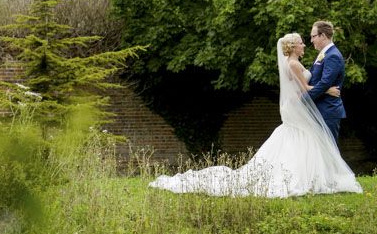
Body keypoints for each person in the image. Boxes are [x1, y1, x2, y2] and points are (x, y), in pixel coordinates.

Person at [149, 33, 362, 197]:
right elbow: (306, 88)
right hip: (295, 106)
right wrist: (328, 90)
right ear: (293, 47)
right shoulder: (294, 64)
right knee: (302, 137)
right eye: (301, 42)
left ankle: (310, 174)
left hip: (293, 106)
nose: (304, 44)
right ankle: (304, 176)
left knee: (296, 137)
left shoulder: (293, 63)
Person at [307, 20, 346, 144]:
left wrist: (304, 99)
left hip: (328, 111)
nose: (311, 40)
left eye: (313, 36)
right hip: (320, 110)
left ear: (323, 36)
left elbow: (324, 83)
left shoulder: (333, 55)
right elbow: (315, 80)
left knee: (329, 152)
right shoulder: (324, 54)